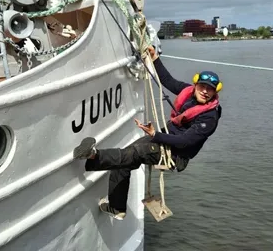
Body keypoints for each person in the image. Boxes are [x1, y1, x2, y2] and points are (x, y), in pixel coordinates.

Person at [73, 46, 223, 220]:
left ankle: (93, 155)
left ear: (215, 91)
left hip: (175, 154)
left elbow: (185, 141)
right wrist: (154, 58)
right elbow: (167, 80)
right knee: (125, 157)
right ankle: (116, 208)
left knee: (134, 153)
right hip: (163, 140)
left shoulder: (210, 117)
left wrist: (155, 134)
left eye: (210, 89)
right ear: (196, 84)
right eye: (202, 86)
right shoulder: (188, 92)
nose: (205, 91)